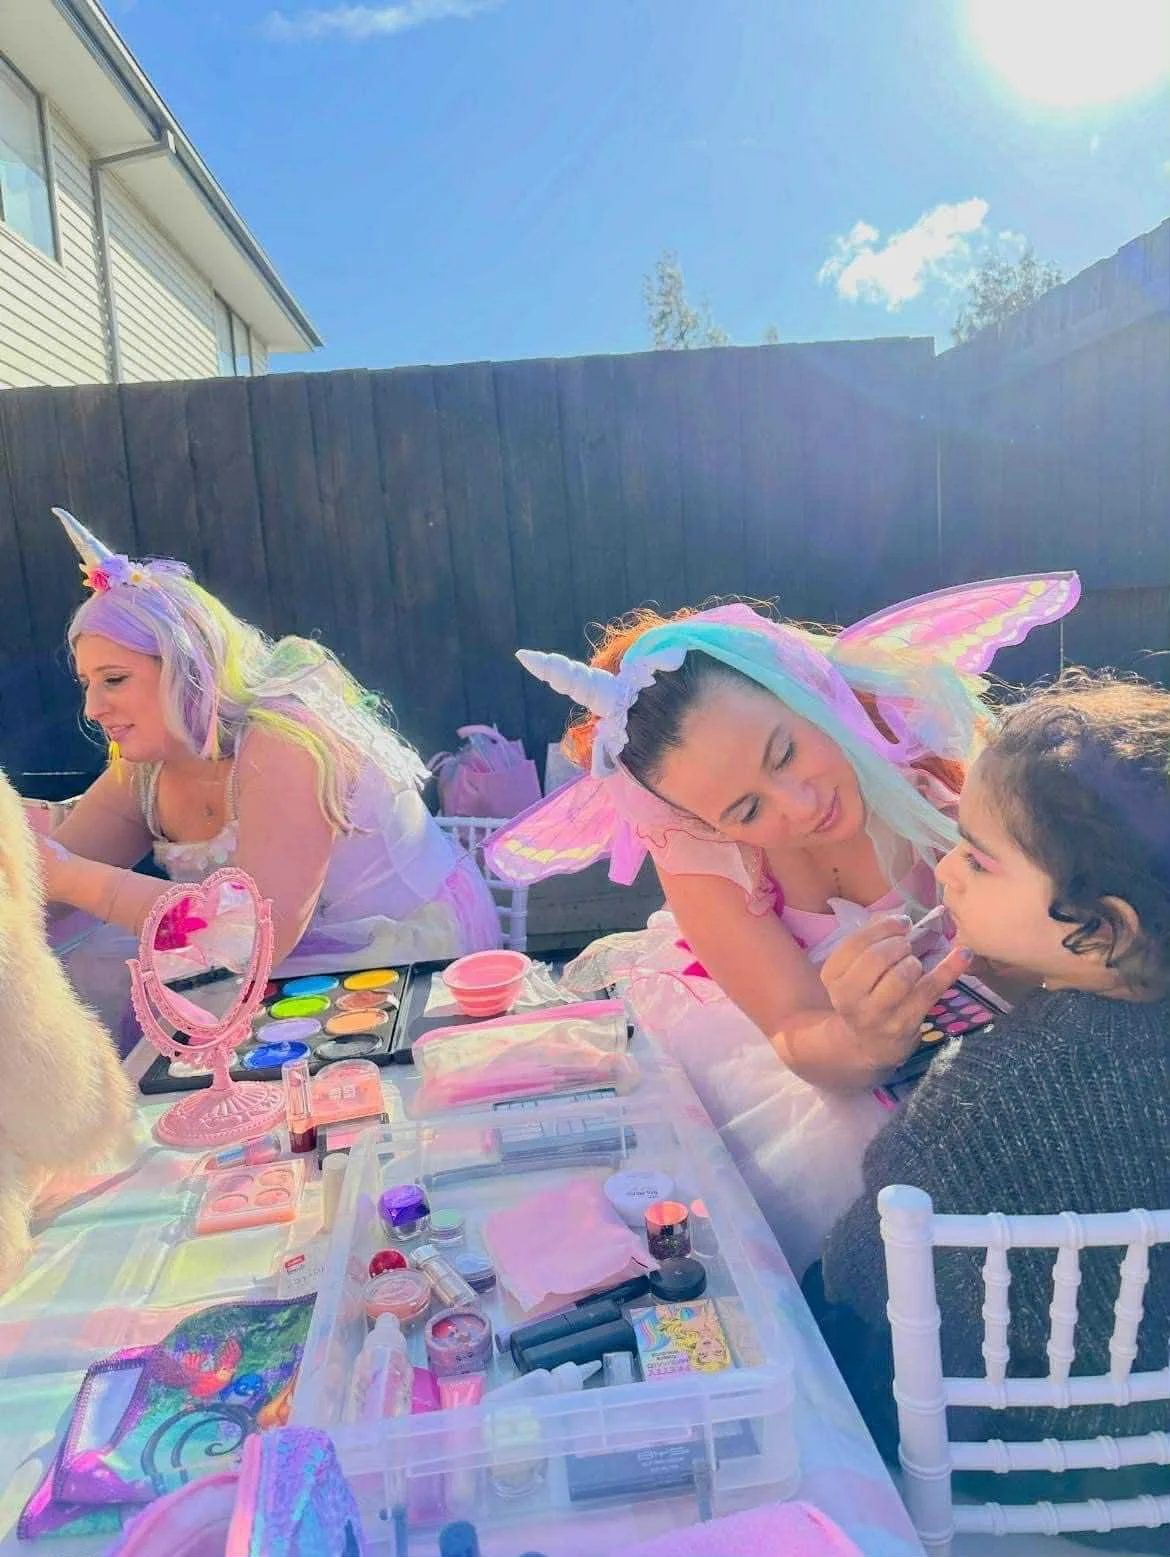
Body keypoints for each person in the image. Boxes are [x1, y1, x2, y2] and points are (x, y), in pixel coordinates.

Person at [486, 580, 1080, 1273]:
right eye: (746, 811)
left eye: (785, 752)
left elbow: (1067, 947)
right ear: (704, 824)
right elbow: (795, 1026)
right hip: (816, 1080)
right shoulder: (703, 855)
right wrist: (863, 1041)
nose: (799, 807)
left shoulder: (928, 756)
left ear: (806, 691)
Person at [808, 674, 1170, 1549]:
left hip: (1037, 1477)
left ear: (1104, 928)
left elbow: (863, 1278)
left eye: (978, 857)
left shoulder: (992, 1090)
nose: (944, 869)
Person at [35, 510, 499, 1049]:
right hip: (278, 975)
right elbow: (43, 887)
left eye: (114, 679)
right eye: (87, 683)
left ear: (189, 668)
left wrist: (74, 878)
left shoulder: (284, 738)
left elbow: (254, 937)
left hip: (403, 964)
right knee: (83, 970)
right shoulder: (145, 768)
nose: (93, 708)